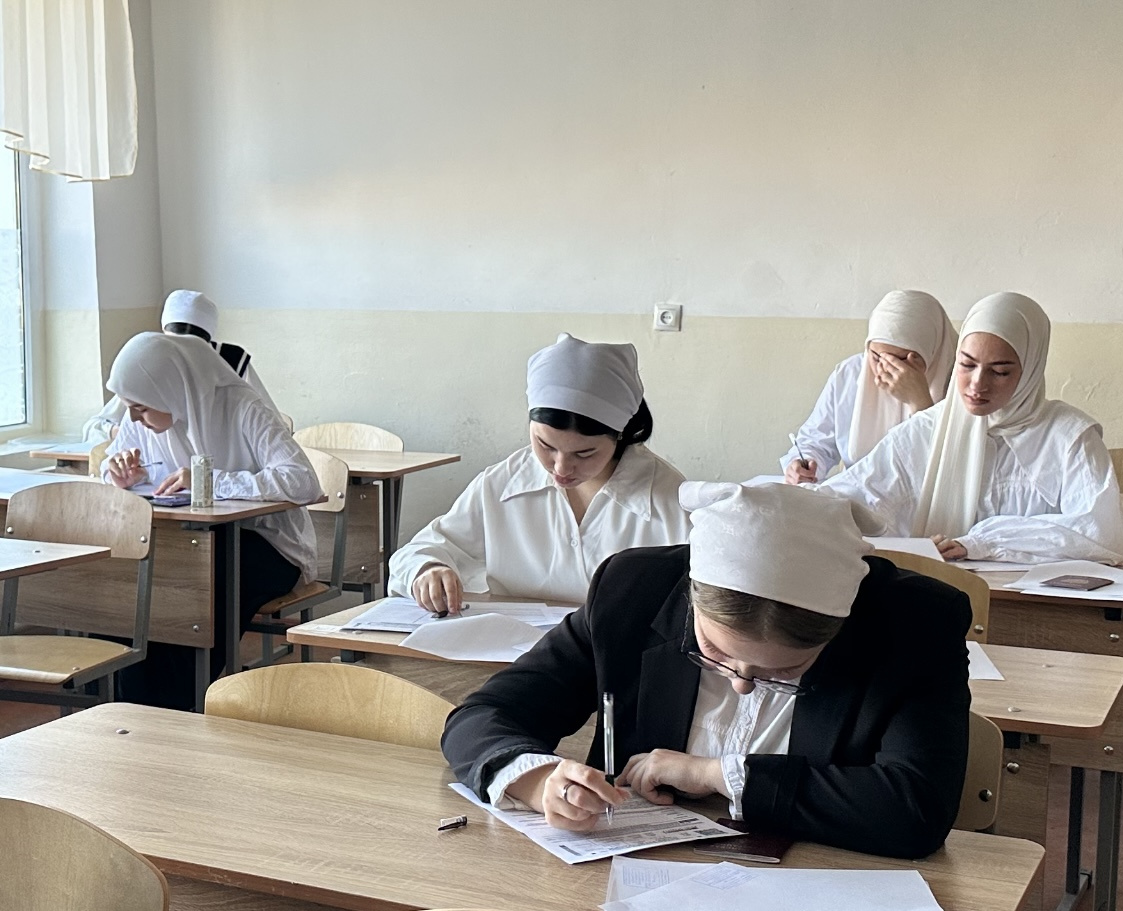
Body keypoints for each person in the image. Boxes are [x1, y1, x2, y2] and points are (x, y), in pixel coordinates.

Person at [441, 482, 971, 859]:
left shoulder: (914, 624)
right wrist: (537, 781)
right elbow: (482, 716)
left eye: (783, 670)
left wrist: (715, 774)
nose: (741, 683)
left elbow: (914, 810)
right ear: (692, 602)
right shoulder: (635, 591)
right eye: (714, 653)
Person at [389, 334, 689, 614]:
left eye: (584, 453)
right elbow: (421, 550)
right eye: (545, 445)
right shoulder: (502, 484)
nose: (561, 468)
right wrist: (427, 570)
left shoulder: (670, 502)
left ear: (620, 435)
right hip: (511, 648)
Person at [101, 332, 322, 710]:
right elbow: (112, 464)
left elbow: (303, 481)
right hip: (186, 542)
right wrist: (119, 474)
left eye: (140, 408)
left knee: (202, 576)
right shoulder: (141, 414)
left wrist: (209, 481)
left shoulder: (241, 406)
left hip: (266, 545)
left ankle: (179, 701)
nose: (133, 418)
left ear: (170, 389)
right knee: (134, 577)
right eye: (129, 408)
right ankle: (127, 704)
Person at [825, 292, 1123, 564]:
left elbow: (1103, 534)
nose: (976, 385)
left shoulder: (1069, 437)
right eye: (967, 365)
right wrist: (802, 499)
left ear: (1030, 370)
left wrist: (983, 543)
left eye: (999, 372)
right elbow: (859, 492)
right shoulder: (927, 430)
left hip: (1033, 602)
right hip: (943, 595)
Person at [781, 290, 955, 484]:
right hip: (856, 493)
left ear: (932, 352)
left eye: (901, 360)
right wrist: (803, 464)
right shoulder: (850, 374)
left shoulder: (960, 382)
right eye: (877, 356)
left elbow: (952, 467)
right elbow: (815, 441)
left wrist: (920, 402)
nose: (884, 369)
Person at [82, 289, 279, 443]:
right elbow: (94, 427)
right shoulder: (152, 368)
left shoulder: (234, 362)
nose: (182, 358)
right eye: (173, 346)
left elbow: (274, 427)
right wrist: (123, 435)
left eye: (192, 346)